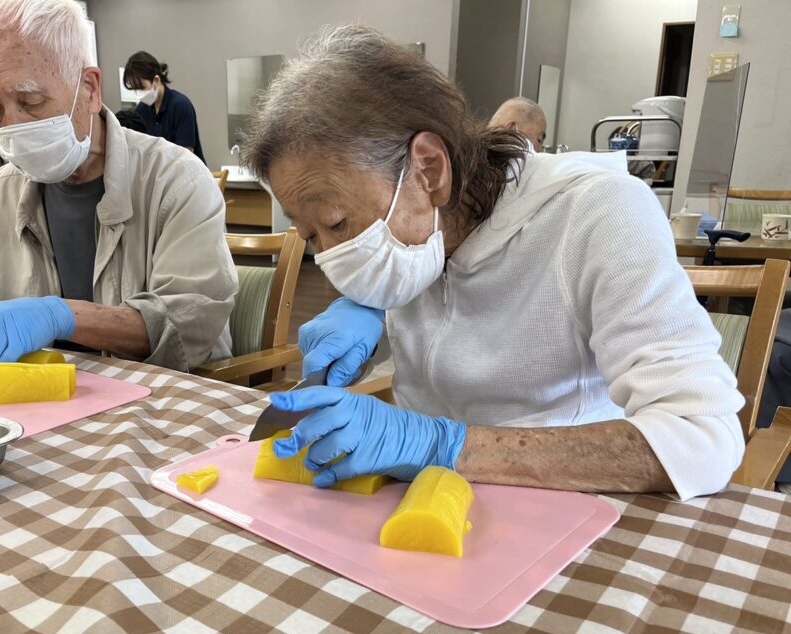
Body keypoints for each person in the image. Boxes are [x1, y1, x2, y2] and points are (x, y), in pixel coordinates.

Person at [241, 25, 744, 500]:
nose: (329, 256)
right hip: (416, 500)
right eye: (310, 235)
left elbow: (703, 437)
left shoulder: (599, 213)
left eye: (337, 223)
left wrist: (443, 446)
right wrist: (367, 308)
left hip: (561, 507)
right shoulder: (417, 230)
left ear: (428, 168)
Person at [0, 0, 237, 375]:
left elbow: (188, 323)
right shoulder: (9, 186)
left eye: (31, 102)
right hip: (48, 401)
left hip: (159, 401)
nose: (12, 126)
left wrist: (62, 316)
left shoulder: (176, 180)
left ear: (91, 90)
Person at [123, 51, 205, 163]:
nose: (138, 94)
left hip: (186, 173)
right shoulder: (142, 110)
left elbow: (186, 155)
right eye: (134, 89)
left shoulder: (181, 106)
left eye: (141, 87)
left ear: (156, 80)